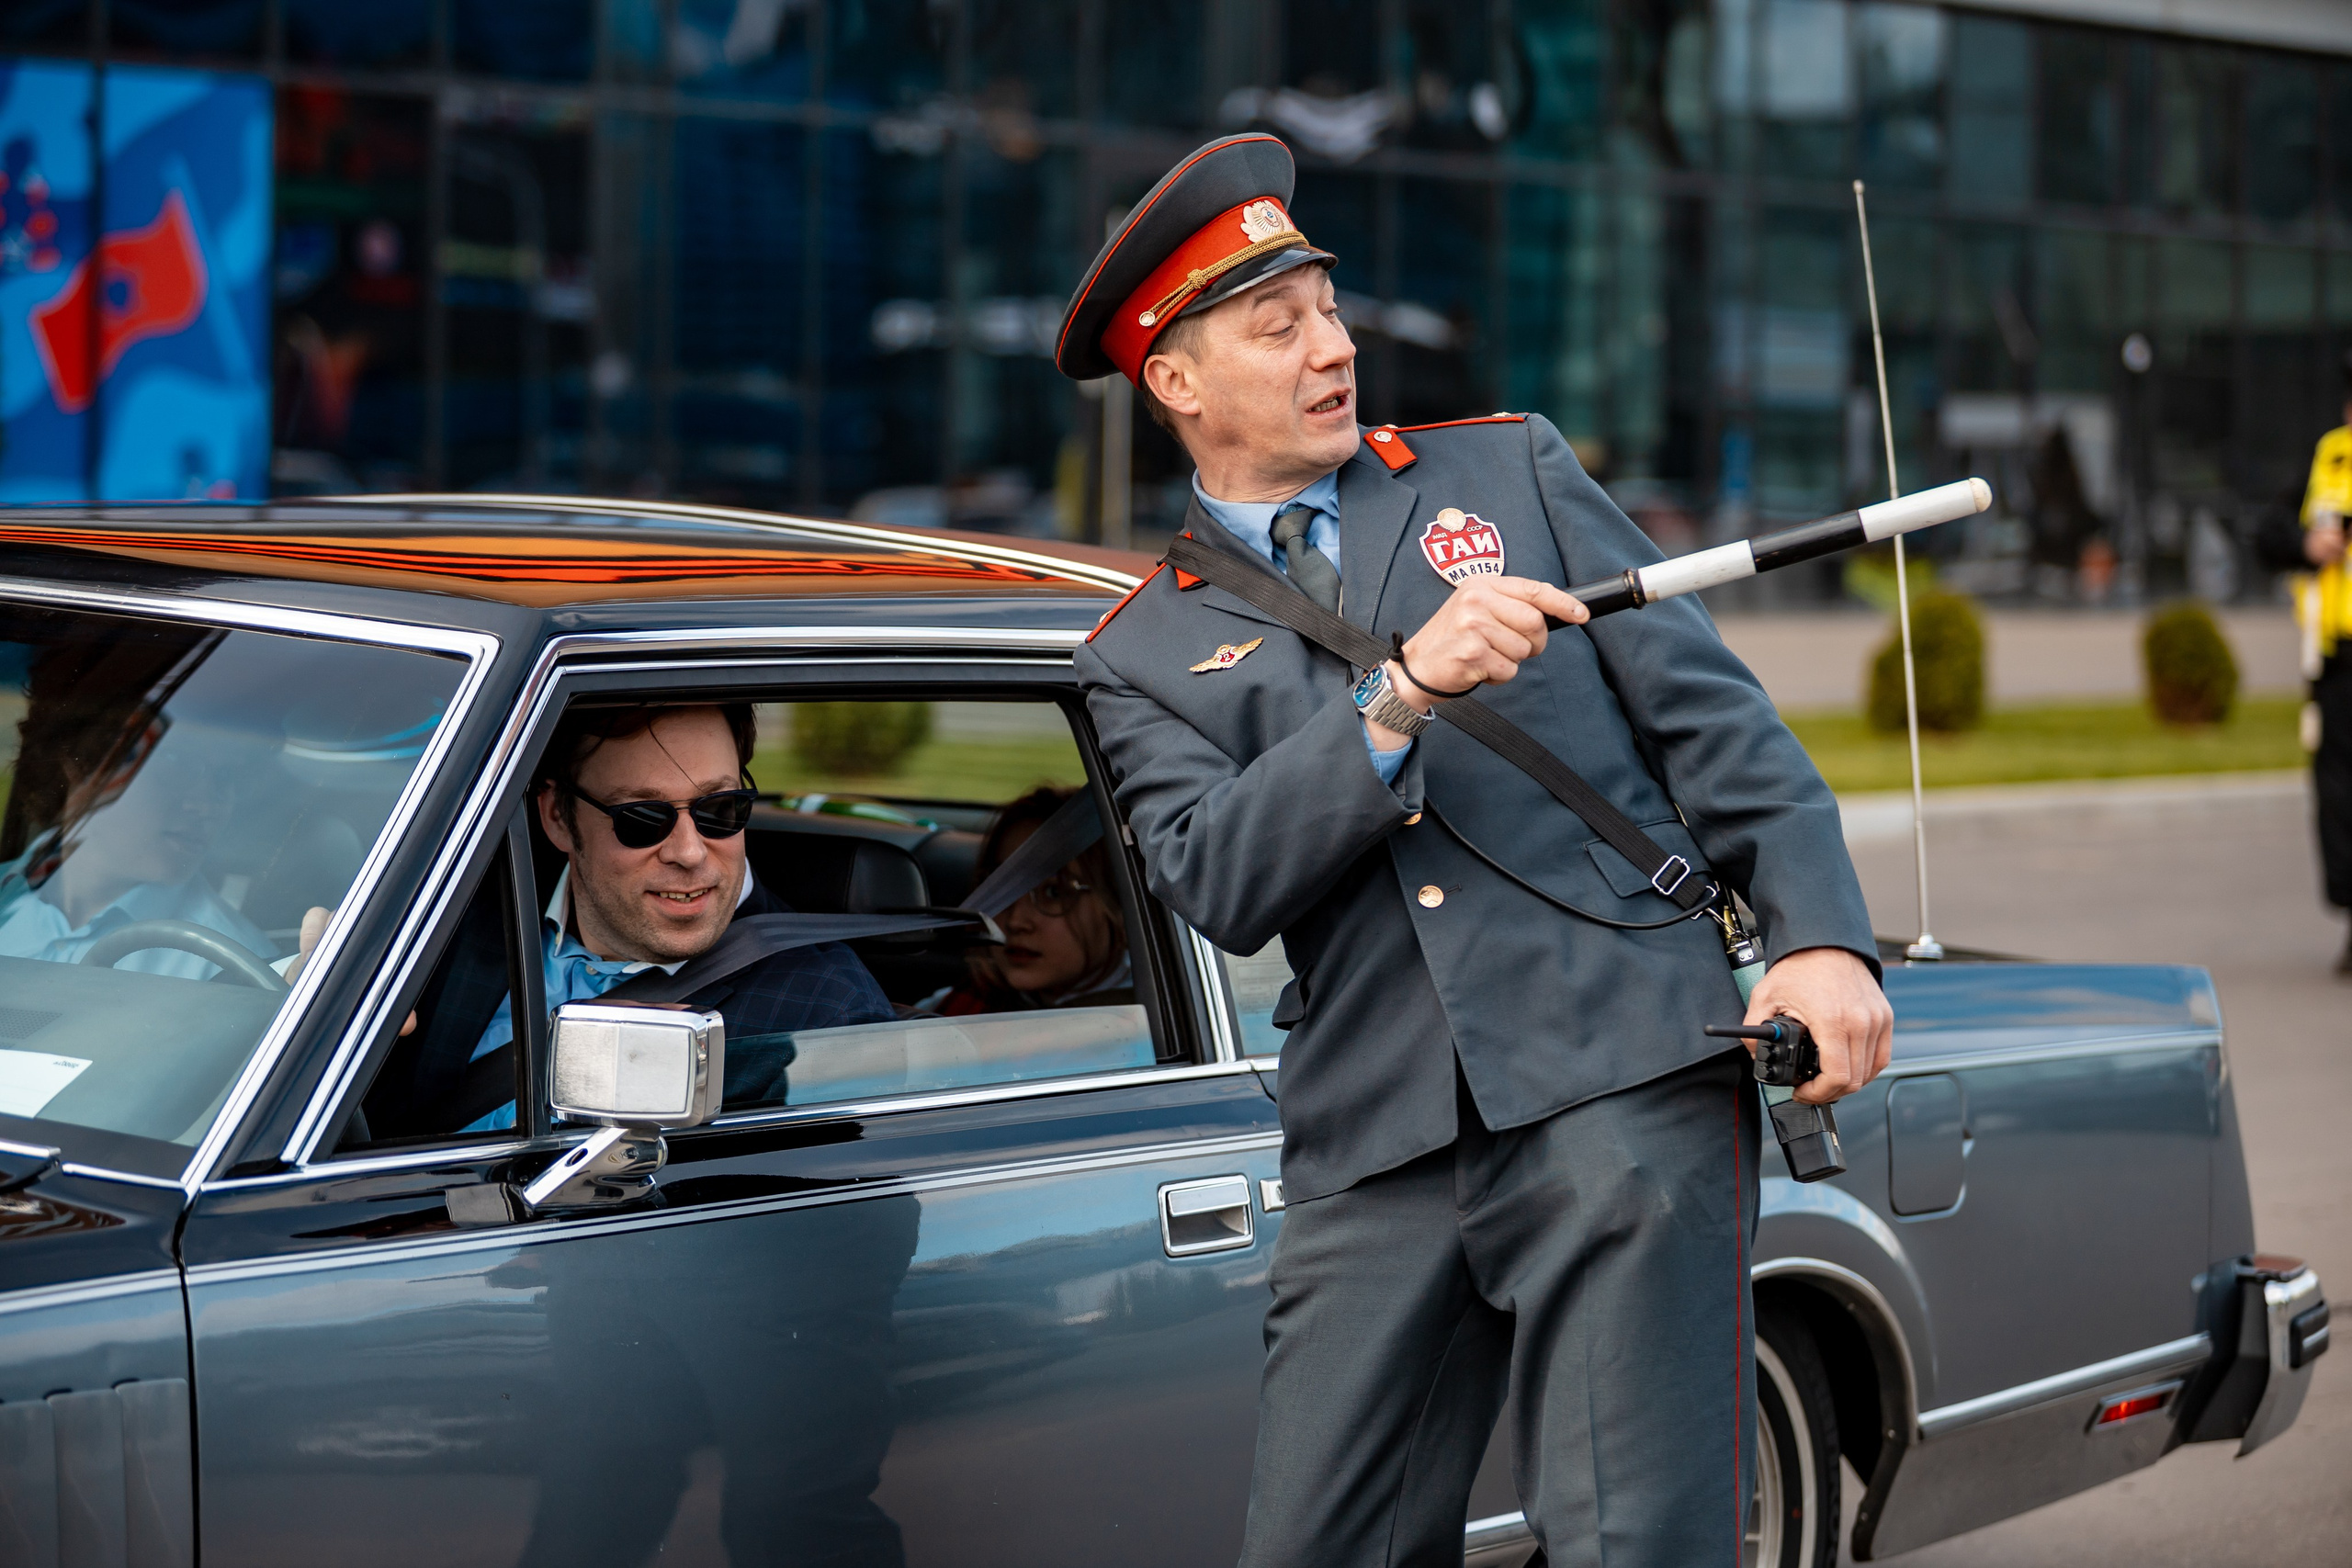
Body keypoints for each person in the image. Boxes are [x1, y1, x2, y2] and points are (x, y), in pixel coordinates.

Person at [1058, 134, 1892, 1567]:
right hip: (1376, 1135)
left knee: (1631, 1538)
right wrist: (1397, 697)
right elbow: (1218, 879)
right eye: (1279, 327)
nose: (1333, 347)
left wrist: (1819, 937)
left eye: (1329, 310)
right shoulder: (1143, 649)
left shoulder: (1509, 470)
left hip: (1620, 1070)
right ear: (1178, 382)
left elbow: (1717, 726)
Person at [376, 702, 894, 1135]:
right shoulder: (450, 919)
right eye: (642, 818)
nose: (689, 852)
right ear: (557, 816)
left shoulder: (828, 1014)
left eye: (721, 809)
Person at [0, 728, 276, 981]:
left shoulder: (238, 968)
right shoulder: (8, 892)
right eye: (177, 764)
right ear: (83, 766)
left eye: (225, 777)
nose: (207, 807)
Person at [922, 784, 1131, 1014]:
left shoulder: (1139, 1019)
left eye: (1054, 892)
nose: (1016, 921)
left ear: (1120, 906)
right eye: (1001, 889)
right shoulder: (959, 1004)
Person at [2291, 353, 2352, 972]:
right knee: (2337, 793)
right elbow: (2272, 530)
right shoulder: (2329, 456)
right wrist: (2308, 544)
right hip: (2336, 656)